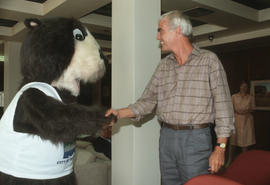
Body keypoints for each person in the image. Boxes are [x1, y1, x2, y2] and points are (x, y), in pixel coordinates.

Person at [106, 10, 234, 185]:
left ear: (178, 30)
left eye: (161, 30)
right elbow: (148, 101)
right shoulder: (164, 65)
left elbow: (223, 106)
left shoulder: (209, 61)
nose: (158, 37)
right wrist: (118, 114)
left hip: (196, 139)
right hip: (166, 137)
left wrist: (220, 147)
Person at [226, 80, 256, 166]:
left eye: (245, 86)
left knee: (244, 142)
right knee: (233, 141)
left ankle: (244, 162)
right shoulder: (234, 96)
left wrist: (246, 111)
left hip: (246, 121)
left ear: (247, 88)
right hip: (236, 120)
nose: (244, 88)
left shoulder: (250, 97)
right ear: (239, 87)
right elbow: (230, 108)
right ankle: (229, 160)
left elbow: (253, 108)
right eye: (242, 86)